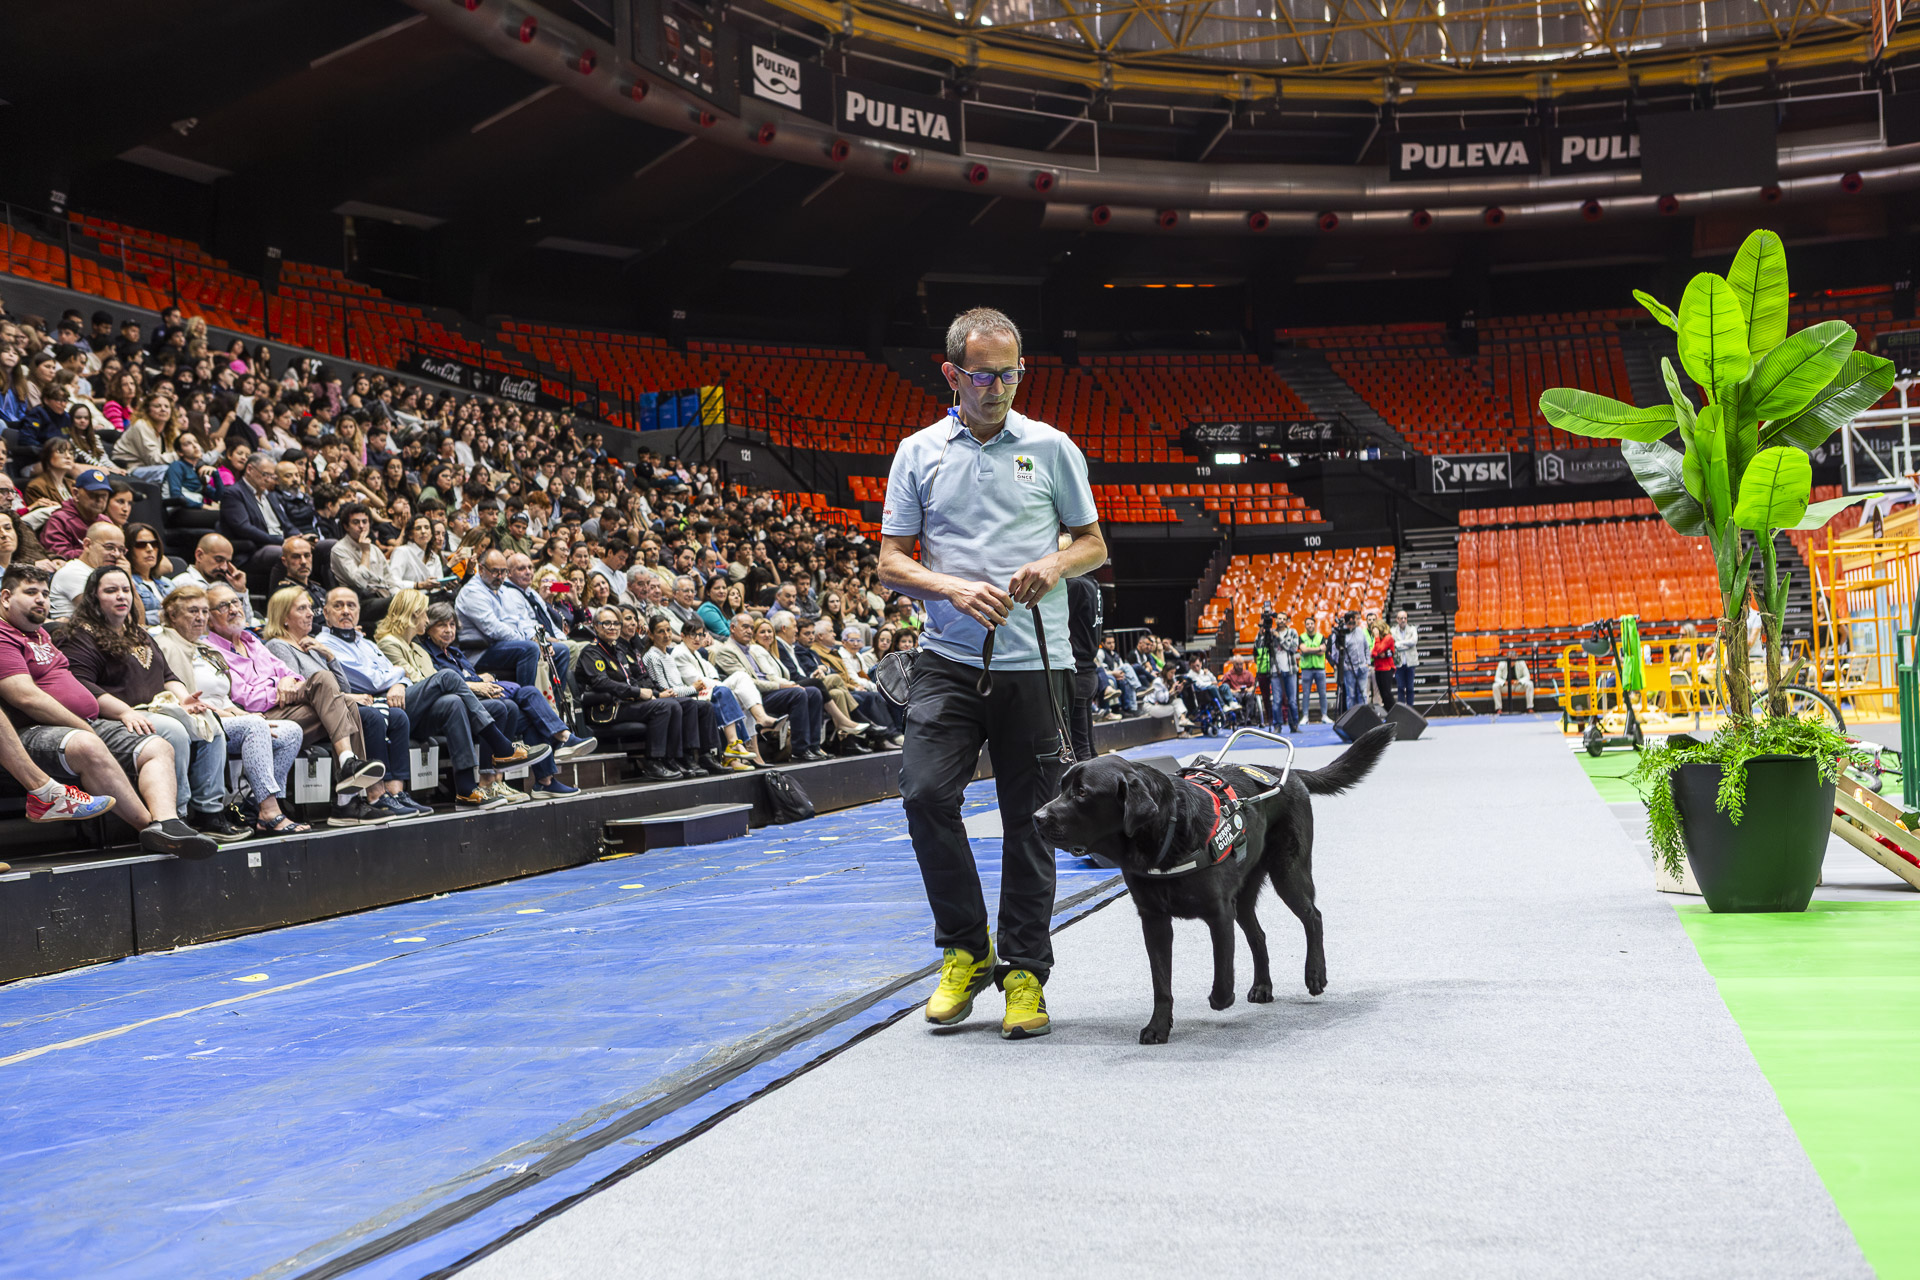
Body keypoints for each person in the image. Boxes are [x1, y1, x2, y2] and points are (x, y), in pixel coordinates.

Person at [878, 306, 1104, 1040]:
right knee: (923, 796)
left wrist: (1054, 560)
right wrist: (947, 588)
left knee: (1032, 823)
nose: (1001, 386)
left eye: (1012, 372)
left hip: (1037, 665)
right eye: (986, 374)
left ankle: (1026, 975)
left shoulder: (1052, 446)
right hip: (946, 661)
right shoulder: (917, 453)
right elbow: (891, 562)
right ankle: (967, 950)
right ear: (952, 374)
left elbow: (1094, 544)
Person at [0, 564, 214, 858]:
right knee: (88, 744)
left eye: (45, 594)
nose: (41, 599)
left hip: (82, 722)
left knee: (158, 746)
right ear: (6, 597)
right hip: (35, 729)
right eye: (31, 592)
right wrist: (84, 725)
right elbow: (25, 697)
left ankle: (169, 823)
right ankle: (151, 830)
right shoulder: (4, 635)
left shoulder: (39, 635)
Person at [56, 564, 250, 842]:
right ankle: (178, 815)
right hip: (114, 716)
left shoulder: (139, 633)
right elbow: (80, 685)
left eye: (125, 590)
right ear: (93, 597)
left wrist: (185, 699)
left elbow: (168, 675)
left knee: (209, 722)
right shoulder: (79, 636)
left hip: (156, 708)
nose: (121, 596)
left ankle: (209, 812)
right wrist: (123, 712)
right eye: (111, 591)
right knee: (174, 731)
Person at [323, 586, 547, 808]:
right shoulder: (385, 642)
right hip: (390, 706)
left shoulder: (390, 646)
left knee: (456, 702)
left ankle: (467, 787)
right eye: (425, 613)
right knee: (447, 677)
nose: (428, 620)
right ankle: (503, 748)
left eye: (351, 605)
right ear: (413, 614)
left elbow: (403, 676)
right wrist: (399, 679)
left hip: (416, 703)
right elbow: (376, 679)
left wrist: (399, 680)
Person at [190, 581, 389, 808]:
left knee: (345, 704)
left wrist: (285, 680)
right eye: (223, 606)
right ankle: (348, 795)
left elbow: (293, 676)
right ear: (210, 619)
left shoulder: (252, 641)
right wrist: (279, 687)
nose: (234, 609)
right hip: (257, 718)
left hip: (286, 709)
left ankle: (349, 786)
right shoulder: (212, 650)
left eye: (235, 601)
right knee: (334, 693)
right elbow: (246, 697)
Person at [146, 583, 310, 836]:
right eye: (193, 611)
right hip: (197, 719)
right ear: (173, 615)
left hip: (225, 716)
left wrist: (242, 713)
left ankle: (255, 805)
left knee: (290, 731)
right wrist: (237, 717)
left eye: (203, 611)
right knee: (256, 726)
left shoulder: (207, 649)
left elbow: (225, 696)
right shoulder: (166, 645)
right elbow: (186, 700)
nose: (201, 617)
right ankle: (270, 811)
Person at [260, 586, 423, 823]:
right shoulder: (278, 646)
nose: (309, 614)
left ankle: (351, 799)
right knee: (355, 708)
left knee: (356, 707)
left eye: (309, 608)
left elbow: (343, 689)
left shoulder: (311, 645)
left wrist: (330, 656)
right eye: (302, 609)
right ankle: (358, 795)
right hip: (293, 715)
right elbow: (303, 690)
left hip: (325, 712)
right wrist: (344, 697)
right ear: (284, 617)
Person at [416, 600, 596, 797]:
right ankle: (560, 740)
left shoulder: (455, 653)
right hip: (457, 711)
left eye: (451, 625)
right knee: (510, 703)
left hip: (481, 701)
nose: (448, 630)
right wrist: (477, 684)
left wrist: (484, 680)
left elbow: (472, 677)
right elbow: (441, 684)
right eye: (441, 625)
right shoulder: (426, 653)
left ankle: (546, 779)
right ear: (428, 627)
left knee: (528, 709)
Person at [640, 615, 754, 771]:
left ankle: (706, 755)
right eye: (660, 631)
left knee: (706, 707)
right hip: (667, 698)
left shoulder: (667, 655)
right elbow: (665, 689)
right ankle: (686, 756)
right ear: (651, 635)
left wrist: (693, 689)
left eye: (668, 630)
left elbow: (684, 683)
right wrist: (693, 689)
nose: (666, 635)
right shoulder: (653, 656)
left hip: (681, 695)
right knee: (699, 702)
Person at [712, 612, 827, 760]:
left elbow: (768, 674)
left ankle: (814, 746)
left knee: (813, 692)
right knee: (798, 694)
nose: (749, 631)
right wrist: (780, 686)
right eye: (745, 627)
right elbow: (747, 682)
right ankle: (800, 749)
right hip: (752, 698)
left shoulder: (750, 650)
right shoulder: (726, 651)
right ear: (733, 628)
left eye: (751, 627)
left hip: (767, 692)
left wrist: (787, 683)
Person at [455, 550, 572, 691]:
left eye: (503, 572)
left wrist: (537, 639)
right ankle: (528, 699)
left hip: (507, 644)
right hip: (481, 651)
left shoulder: (503, 589)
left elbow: (519, 620)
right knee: (529, 649)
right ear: (481, 569)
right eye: (495, 571)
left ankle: (554, 705)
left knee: (561, 650)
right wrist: (528, 641)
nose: (499, 576)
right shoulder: (472, 592)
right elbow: (494, 629)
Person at [48, 520, 125, 621]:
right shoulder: (73, 572)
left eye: (121, 550)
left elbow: (137, 618)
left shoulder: (106, 574)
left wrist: (128, 579)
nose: (116, 554)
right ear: (87, 545)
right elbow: (103, 615)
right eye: (109, 547)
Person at [176, 533, 256, 627]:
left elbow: (246, 624)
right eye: (219, 559)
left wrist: (240, 590)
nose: (224, 567)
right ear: (199, 555)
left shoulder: (227, 586)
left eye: (227, 562)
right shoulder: (180, 584)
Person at [37, 466, 115, 562]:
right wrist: (96, 552)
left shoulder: (106, 522)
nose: (99, 500)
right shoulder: (60, 520)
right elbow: (58, 554)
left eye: (104, 496)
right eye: (93, 495)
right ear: (75, 493)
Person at [1064, 562, 1101, 761]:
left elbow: (1060, 617)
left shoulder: (1075, 585)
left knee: (1081, 748)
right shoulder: (1092, 583)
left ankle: (1090, 787)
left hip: (1078, 669)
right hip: (1088, 668)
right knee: (1087, 744)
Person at [122, 522, 174, 625]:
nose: (150, 549)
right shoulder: (127, 583)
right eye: (141, 545)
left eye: (154, 544)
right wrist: (165, 616)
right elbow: (131, 618)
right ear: (128, 549)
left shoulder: (167, 583)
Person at [1298, 615, 1328, 723]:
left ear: (1314, 625)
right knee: (1306, 693)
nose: (1310, 626)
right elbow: (1303, 650)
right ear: (1305, 626)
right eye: (1307, 624)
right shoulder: (1301, 637)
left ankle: (1324, 715)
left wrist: (1309, 650)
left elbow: (1322, 651)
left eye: (1311, 623)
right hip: (1306, 669)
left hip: (1320, 668)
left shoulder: (1321, 636)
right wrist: (1318, 648)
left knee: (1322, 693)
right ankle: (1305, 716)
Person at [1391, 609, 1418, 708]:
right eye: (1401, 618)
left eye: (1405, 618)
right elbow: (1394, 645)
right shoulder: (1392, 631)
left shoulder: (1412, 629)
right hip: (1399, 663)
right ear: (1397, 619)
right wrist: (1407, 643)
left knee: (1410, 688)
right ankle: (1402, 710)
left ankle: (1411, 709)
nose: (1403, 620)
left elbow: (1413, 642)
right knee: (1400, 688)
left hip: (1410, 663)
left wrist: (1400, 643)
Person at [1370, 621, 1398, 711]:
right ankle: (1388, 711)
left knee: (1387, 692)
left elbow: (1379, 649)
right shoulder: (1379, 640)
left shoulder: (1388, 638)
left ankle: (1393, 711)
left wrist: (1377, 637)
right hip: (1378, 668)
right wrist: (1379, 654)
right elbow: (1372, 653)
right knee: (1382, 693)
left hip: (1386, 668)